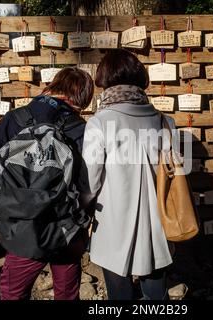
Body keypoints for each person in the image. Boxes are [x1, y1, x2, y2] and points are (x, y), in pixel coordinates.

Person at [0, 67, 94, 300]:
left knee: (13, 292)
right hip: (66, 229)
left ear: (53, 86)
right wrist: (82, 220)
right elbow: (89, 184)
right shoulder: (82, 130)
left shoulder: (14, 120)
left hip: (23, 228)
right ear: (82, 98)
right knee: (67, 294)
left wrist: (3, 218)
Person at [81, 49, 175, 300]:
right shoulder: (164, 121)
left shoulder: (99, 123)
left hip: (111, 220)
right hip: (159, 219)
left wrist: (83, 207)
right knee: (156, 293)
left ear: (104, 79)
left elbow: (90, 180)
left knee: (119, 294)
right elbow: (172, 170)